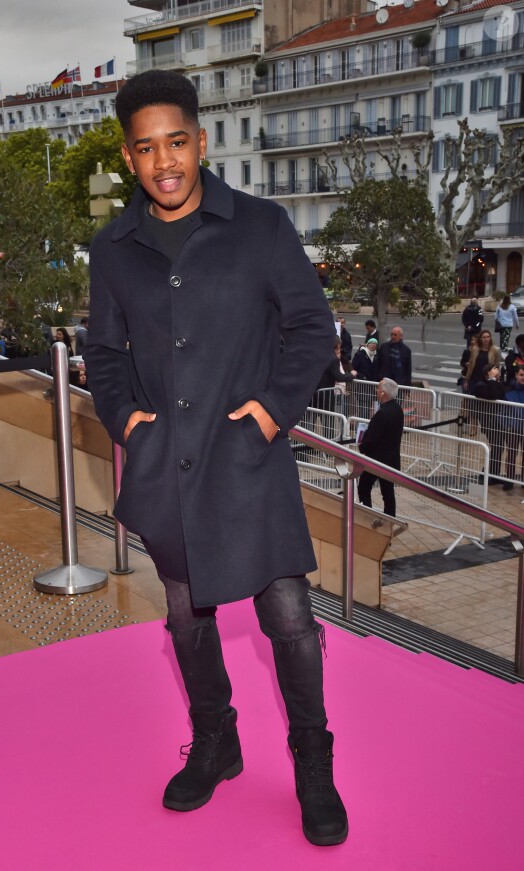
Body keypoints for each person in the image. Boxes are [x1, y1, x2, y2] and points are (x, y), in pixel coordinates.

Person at [84, 70, 348, 847]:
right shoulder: (114, 247)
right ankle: (217, 739)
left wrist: (270, 412)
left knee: (290, 618)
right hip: (168, 465)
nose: (164, 160)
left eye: (176, 141)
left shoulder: (261, 227)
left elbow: (311, 330)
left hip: (248, 458)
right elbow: (103, 356)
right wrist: (131, 422)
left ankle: (312, 760)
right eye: (145, 147)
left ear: (200, 141)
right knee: (186, 619)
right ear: (129, 158)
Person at [357, 378, 404, 516]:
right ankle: (389, 521)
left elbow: (371, 439)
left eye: (378, 389)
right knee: (388, 492)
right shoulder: (398, 410)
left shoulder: (382, 413)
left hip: (377, 460)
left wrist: (362, 446)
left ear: (383, 393)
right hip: (392, 459)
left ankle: (368, 515)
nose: (376, 391)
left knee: (364, 488)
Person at [474, 363, 505, 484]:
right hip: (488, 421)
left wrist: (496, 381)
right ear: (488, 373)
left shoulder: (495, 383)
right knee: (496, 446)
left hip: (498, 420)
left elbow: (501, 395)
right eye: (494, 371)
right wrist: (492, 379)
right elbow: (492, 396)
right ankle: (485, 474)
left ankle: (493, 474)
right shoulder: (480, 386)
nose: (498, 373)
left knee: (498, 447)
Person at [502, 365, 524, 490]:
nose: (523, 378)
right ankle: (509, 479)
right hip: (513, 427)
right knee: (511, 453)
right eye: (521, 375)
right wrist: (507, 424)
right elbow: (502, 411)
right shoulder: (509, 391)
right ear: (516, 375)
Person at [463, 329, 501, 395]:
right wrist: (466, 380)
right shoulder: (475, 348)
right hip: (474, 378)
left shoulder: (495, 350)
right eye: (484, 337)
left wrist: (496, 379)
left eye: (488, 337)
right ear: (480, 339)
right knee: (472, 399)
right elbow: (471, 366)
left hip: (486, 379)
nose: (486, 339)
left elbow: (496, 366)